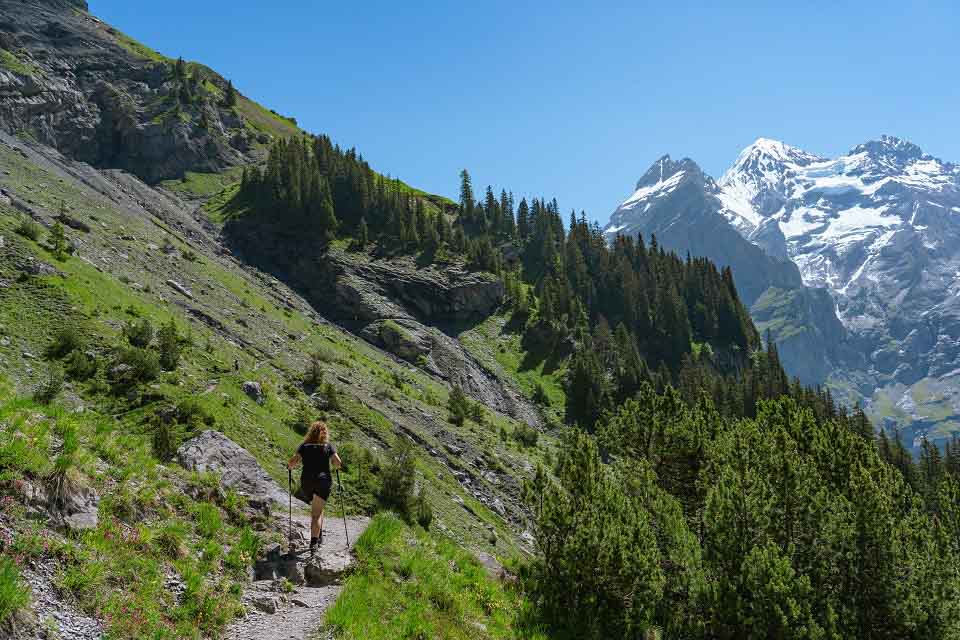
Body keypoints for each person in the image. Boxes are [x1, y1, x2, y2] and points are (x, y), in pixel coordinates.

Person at [287, 420, 342, 554]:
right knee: (316, 514)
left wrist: (289, 467)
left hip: (307, 482)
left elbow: (293, 462)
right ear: (325, 433)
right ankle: (314, 542)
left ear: (311, 432)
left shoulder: (304, 446)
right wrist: (336, 466)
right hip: (323, 481)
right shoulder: (328, 446)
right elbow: (338, 462)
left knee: (317, 506)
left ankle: (318, 532)